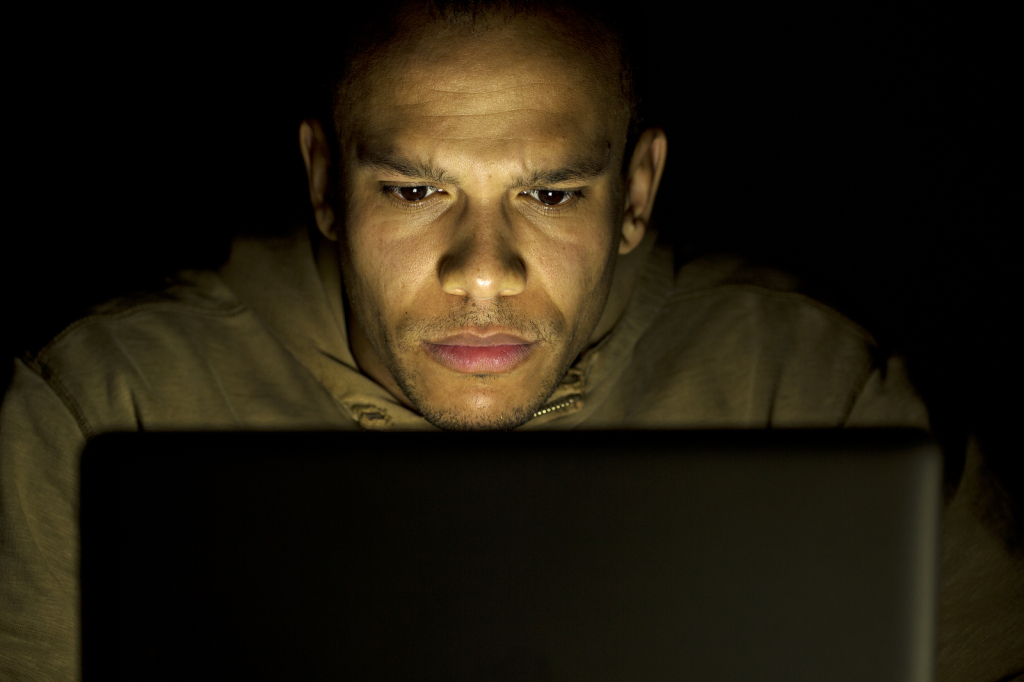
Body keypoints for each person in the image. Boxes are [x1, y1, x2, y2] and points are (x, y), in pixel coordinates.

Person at [0, 1, 954, 679]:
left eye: (549, 194)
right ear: (327, 185)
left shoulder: (815, 389)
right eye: (416, 191)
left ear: (637, 194)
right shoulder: (96, 404)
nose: (484, 271)